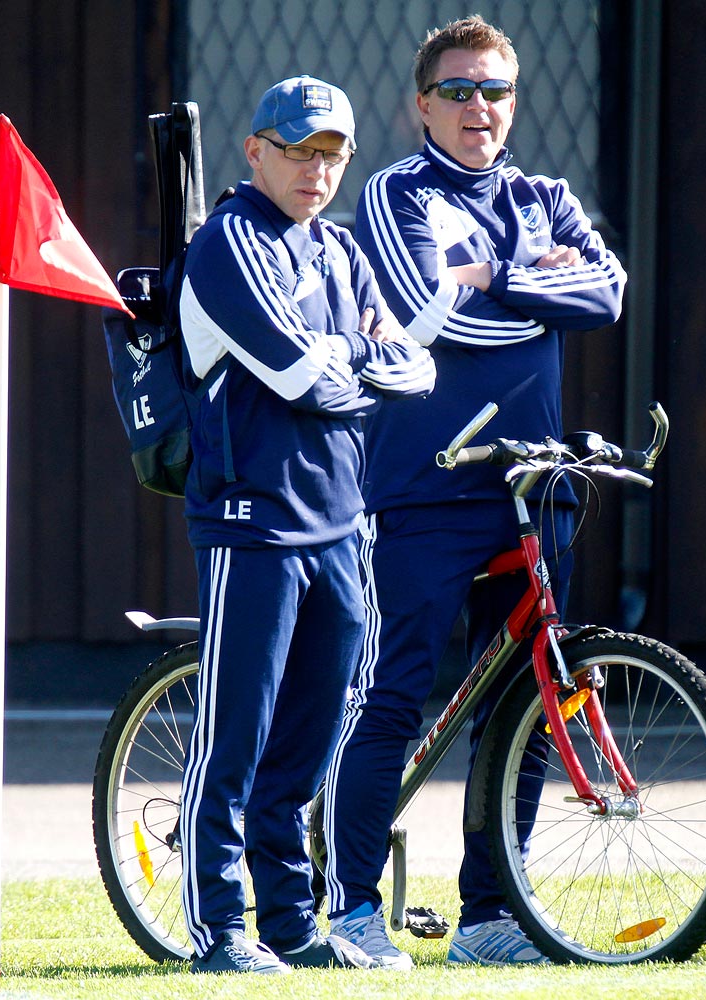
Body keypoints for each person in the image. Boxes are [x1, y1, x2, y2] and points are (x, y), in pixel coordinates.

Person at [321, 15, 627, 969]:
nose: (477, 108)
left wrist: (492, 278)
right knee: (396, 694)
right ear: (422, 104)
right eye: (457, 91)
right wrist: (529, 279)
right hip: (426, 485)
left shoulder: (545, 194)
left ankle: (493, 916)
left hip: (535, 486)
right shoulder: (392, 190)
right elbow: (416, 310)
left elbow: (609, 294)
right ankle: (350, 909)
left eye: (494, 90)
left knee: (527, 701)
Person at [175, 75, 436, 975]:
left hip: (341, 524)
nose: (317, 171)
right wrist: (359, 358)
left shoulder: (338, 247)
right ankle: (220, 932)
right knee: (236, 740)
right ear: (256, 152)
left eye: (332, 156)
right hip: (252, 526)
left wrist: (352, 356)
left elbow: (417, 369)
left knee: (310, 744)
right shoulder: (228, 241)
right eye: (299, 151)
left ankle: (287, 926)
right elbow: (297, 374)